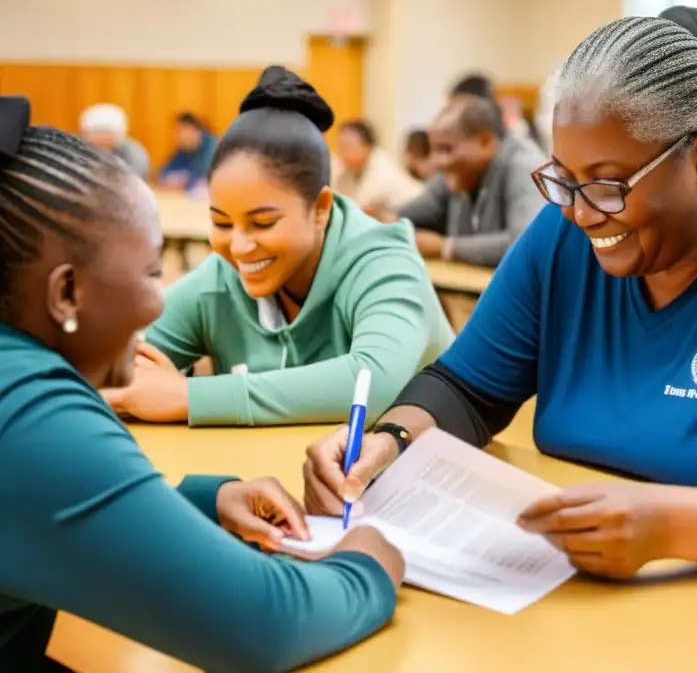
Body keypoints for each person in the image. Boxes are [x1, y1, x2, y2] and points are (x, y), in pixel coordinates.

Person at [303, 16, 697, 586]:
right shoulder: (561, 240)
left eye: (610, 185)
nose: (583, 213)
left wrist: (667, 524)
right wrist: (387, 443)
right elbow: (468, 389)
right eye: (565, 181)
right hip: (642, 572)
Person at [0, 95, 403, 672]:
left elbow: (46, 507)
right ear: (65, 293)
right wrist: (365, 566)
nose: (161, 298)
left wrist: (200, 502)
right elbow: (261, 625)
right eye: (150, 271)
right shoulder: (29, 405)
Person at [101, 67, 453, 427]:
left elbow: (375, 382)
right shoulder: (221, 278)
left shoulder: (385, 263)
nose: (238, 247)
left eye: (263, 222)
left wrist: (191, 397)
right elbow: (116, 362)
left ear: (320, 209)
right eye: (221, 222)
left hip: (418, 476)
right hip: (279, 477)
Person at [396, 95, 547, 267]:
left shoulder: (524, 165)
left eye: (446, 149)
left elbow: (528, 243)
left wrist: (447, 247)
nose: (436, 161)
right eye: (433, 150)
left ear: (485, 141)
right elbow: (414, 212)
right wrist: (388, 219)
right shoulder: (458, 174)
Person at [332, 119, 423, 214]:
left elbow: (364, 205)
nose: (342, 152)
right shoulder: (348, 171)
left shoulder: (381, 163)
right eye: (340, 145)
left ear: (366, 146)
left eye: (348, 145)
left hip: (416, 210)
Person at [79, 103, 150, 180]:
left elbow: (135, 181)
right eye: (95, 132)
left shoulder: (134, 154)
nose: (101, 138)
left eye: (105, 132)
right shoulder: (79, 149)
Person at [158, 112, 216, 195]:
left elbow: (205, 176)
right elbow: (164, 172)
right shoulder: (184, 149)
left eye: (182, 130)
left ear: (194, 130)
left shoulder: (211, 147)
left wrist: (184, 180)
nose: (179, 136)